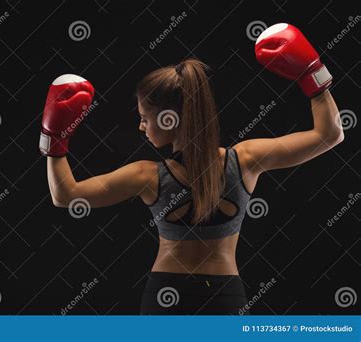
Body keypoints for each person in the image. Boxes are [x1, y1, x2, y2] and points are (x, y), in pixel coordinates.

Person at [40, 23, 344, 314]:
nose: (141, 125)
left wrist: (54, 140)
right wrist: (313, 76)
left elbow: (65, 195)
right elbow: (330, 135)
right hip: (225, 296)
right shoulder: (247, 159)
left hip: (166, 296)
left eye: (145, 117)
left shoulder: (146, 176)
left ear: (169, 119)